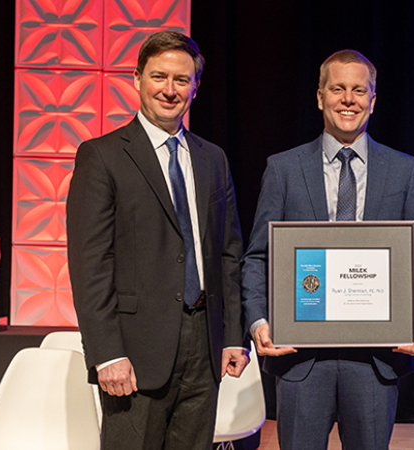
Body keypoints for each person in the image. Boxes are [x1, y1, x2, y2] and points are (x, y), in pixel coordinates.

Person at [241, 49, 414, 450]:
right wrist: (259, 322)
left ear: (372, 99)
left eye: (358, 90)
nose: (348, 99)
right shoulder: (283, 169)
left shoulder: (403, 170)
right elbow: (258, 257)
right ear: (320, 97)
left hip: (374, 360)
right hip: (300, 360)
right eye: (338, 89)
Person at [67, 30, 248, 450]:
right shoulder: (102, 155)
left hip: (204, 345)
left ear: (196, 87)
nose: (169, 90)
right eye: (159, 77)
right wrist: (106, 352)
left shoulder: (212, 159)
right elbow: (89, 264)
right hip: (133, 350)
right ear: (137, 79)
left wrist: (234, 334)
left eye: (181, 80)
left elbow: (228, 253)